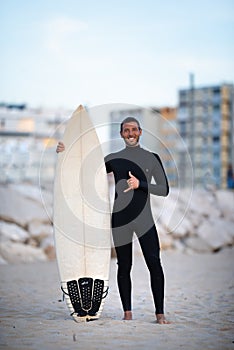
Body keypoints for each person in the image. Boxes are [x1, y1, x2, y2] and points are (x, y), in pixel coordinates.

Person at [56, 117, 170, 324]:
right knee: (124, 265)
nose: (130, 133)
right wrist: (65, 152)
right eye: (126, 130)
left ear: (140, 132)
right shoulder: (113, 159)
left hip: (144, 219)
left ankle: (160, 314)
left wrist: (140, 184)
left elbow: (164, 189)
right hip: (120, 220)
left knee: (154, 263)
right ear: (121, 134)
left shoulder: (152, 158)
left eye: (134, 129)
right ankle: (127, 313)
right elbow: (85, 170)